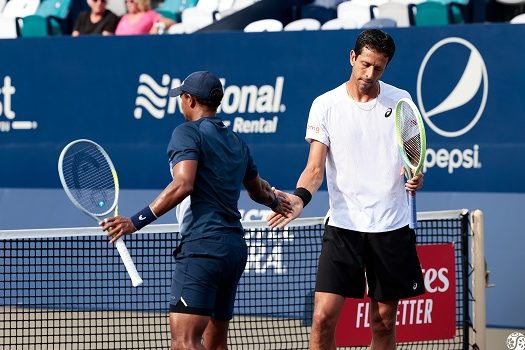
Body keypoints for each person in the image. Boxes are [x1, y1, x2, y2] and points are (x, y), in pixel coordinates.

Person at [100, 71, 291, 350]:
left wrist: (135, 221)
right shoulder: (237, 142)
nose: (180, 102)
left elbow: (183, 184)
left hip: (203, 247)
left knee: (185, 341)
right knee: (215, 342)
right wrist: (278, 202)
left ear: (189, 100)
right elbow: (258, 191)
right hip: (234, 250)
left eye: (181, 97)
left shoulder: (186, 133)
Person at [267, 29, 425, 350]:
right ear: (352, 58)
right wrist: (300, 198)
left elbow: (414, 158)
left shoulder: (401, 101)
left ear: (386, 67)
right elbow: (314, 169)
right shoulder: (325, 105)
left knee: (383, 322)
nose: (369, 74)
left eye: (378, 68)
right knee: (323, 318)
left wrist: (417, 175)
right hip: (343, 228)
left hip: (390, 227)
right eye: (365, 64)